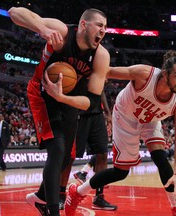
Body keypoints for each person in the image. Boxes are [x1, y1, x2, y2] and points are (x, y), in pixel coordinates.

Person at [8, 7, 109, 216]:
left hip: (67, 100)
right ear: (83, 24)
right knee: (58, 149)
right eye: (99, 25)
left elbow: (91, 102)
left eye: (105, 28)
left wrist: (63, 97)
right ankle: (52, 210)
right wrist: (42, 29)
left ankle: (40, 197)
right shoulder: (62, 31)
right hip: (42, 92)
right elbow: (14, 12)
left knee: (68, 155)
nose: (103, 31)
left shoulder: (101, 55)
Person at [64, 50, 176, 216]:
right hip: (125, 116)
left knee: (160, 157)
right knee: (121, 172)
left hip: (149, 120)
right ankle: (77, 191)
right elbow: (108, 71)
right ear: (165, 74)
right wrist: (91, 76)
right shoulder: (144, 74)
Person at [59, 91, 116, 211]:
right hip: (78, 112)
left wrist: (107, 111)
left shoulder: (98, 73)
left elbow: (101, 89)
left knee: (102, 154)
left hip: (97, 114)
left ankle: (99, 197)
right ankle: (61, 194)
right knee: (70, 155)